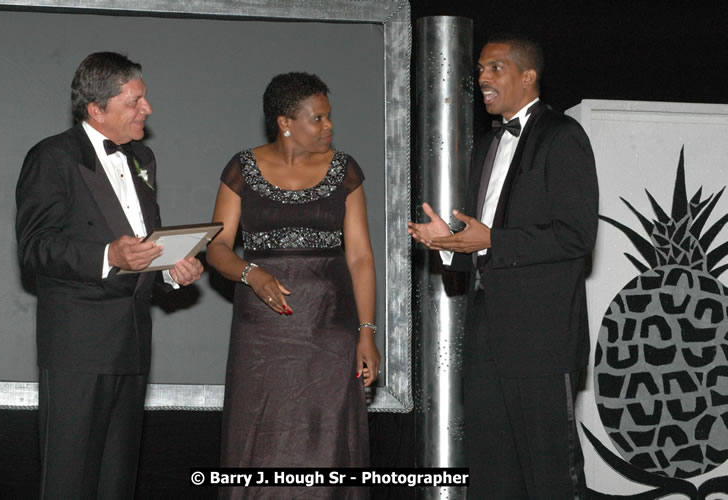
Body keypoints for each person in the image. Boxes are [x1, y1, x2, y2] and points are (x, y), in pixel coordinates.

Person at [408, 34, 598, 499]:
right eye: (479, 70)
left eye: (495, 68)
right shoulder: (486, 146)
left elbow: (576, 235)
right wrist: (448, 244)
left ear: (528, 76)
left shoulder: (563, 136)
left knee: (551, 472)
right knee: (493, 473)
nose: (483, 78)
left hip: (542, 339)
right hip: (486, 334)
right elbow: (480, 237)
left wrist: (490, 239)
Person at [15, 52, 203, 499]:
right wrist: (107, 255)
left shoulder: (143, 158)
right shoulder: (52, 157)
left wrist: (171, 269)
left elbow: (144, 242)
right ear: (96, 109)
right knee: (69, 480)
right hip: (77, 347)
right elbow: (35, 248)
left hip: (133, 344)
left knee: (116, 482)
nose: (148, 108)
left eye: (145, 98)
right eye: (135, 100)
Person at [207, 72, 380, 498]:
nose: (329, 127)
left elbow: (359, 258)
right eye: (317, 119)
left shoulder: (345, 170)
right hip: (262, 332)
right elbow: (217, 248)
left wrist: (367, 332)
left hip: (330, 327)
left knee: (328, 439)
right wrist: (251, 272)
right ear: (285, 122)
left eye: (329, 117)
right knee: (261, 438)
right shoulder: (241, 167)